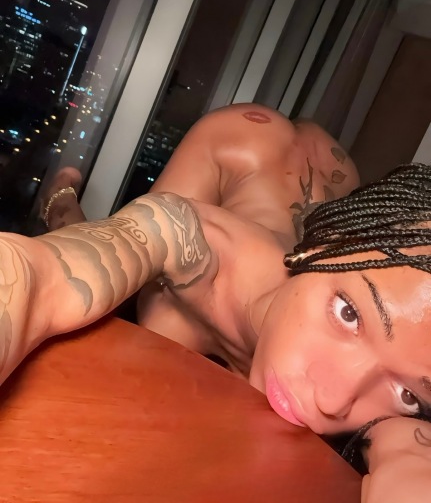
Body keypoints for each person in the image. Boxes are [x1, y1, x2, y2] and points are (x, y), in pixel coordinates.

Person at [3, 103, 431, 501]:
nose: (332, 401)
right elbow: (46, 277)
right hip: (246, 145)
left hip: (334, 192)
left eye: (408, 394)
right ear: (322, 245)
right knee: (119, 288)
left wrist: (402, 451)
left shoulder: (388, 361)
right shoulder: (196, 241)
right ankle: (60, 201)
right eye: (348, 314)